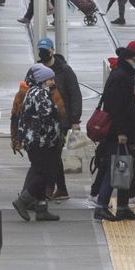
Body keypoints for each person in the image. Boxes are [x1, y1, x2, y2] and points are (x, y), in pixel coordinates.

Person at [88, 41, 135, 207]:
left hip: (120, 129)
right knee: (119, 165)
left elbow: (126, 99)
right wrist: (121, 132)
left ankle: (121, 204)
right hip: (119, 131)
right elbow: (118, 106)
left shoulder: (123, 72)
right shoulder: (122, 75)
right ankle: (105, 202)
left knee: (122, 164)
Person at [12, 64, 64, 222]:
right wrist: (54, 134)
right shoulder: (39, 94)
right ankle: (23, 200)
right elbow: (46, 117)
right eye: (50, 79)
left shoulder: (35, 92)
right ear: (42, 80)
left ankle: (42, 209)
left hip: (36, 140)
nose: (52, 82)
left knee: (41, 171)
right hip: (40, 142)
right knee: (44, 172)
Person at [37, 37, 82, 200]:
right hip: (42, 120)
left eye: (46, 50)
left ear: (53, 50)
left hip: (62, 120)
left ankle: (50, 187)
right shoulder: (37, 69)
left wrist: (75, 120)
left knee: (53, 154)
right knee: (50, 155)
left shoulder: (65, 70)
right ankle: (61, 188)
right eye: (40, 50)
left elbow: (75, 94)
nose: (43, 53)